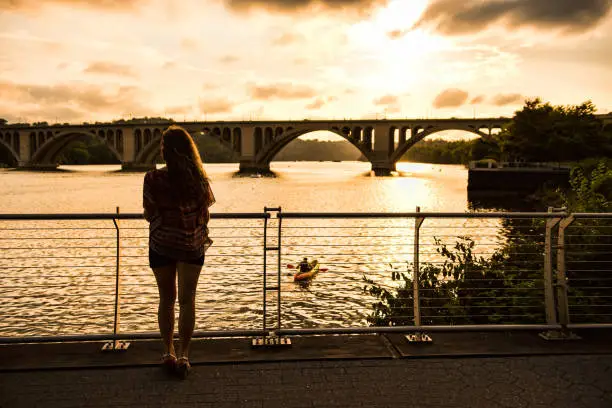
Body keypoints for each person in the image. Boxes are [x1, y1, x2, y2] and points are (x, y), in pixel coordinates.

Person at [143, 125, 215, 379]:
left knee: (166, 299)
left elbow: (149, 213)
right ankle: (185, 355)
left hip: (162, 243)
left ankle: (168, 352)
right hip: (191, 245)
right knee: (187, 300)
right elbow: (204, 215)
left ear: (165, 151)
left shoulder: (152, 179)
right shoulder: (199, 180)